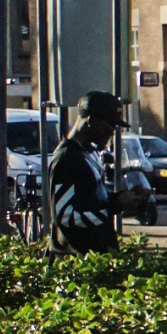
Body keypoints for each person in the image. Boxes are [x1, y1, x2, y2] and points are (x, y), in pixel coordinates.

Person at [49, 91, 121, 253]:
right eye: (109, 126)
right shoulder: (66, 158)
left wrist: (123, 199)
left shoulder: (90, 153)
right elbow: (65, 216)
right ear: (91, 121)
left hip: (98, 257)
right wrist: (112, 208)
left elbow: (91, 200)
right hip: (78, 262)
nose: (112, 132)